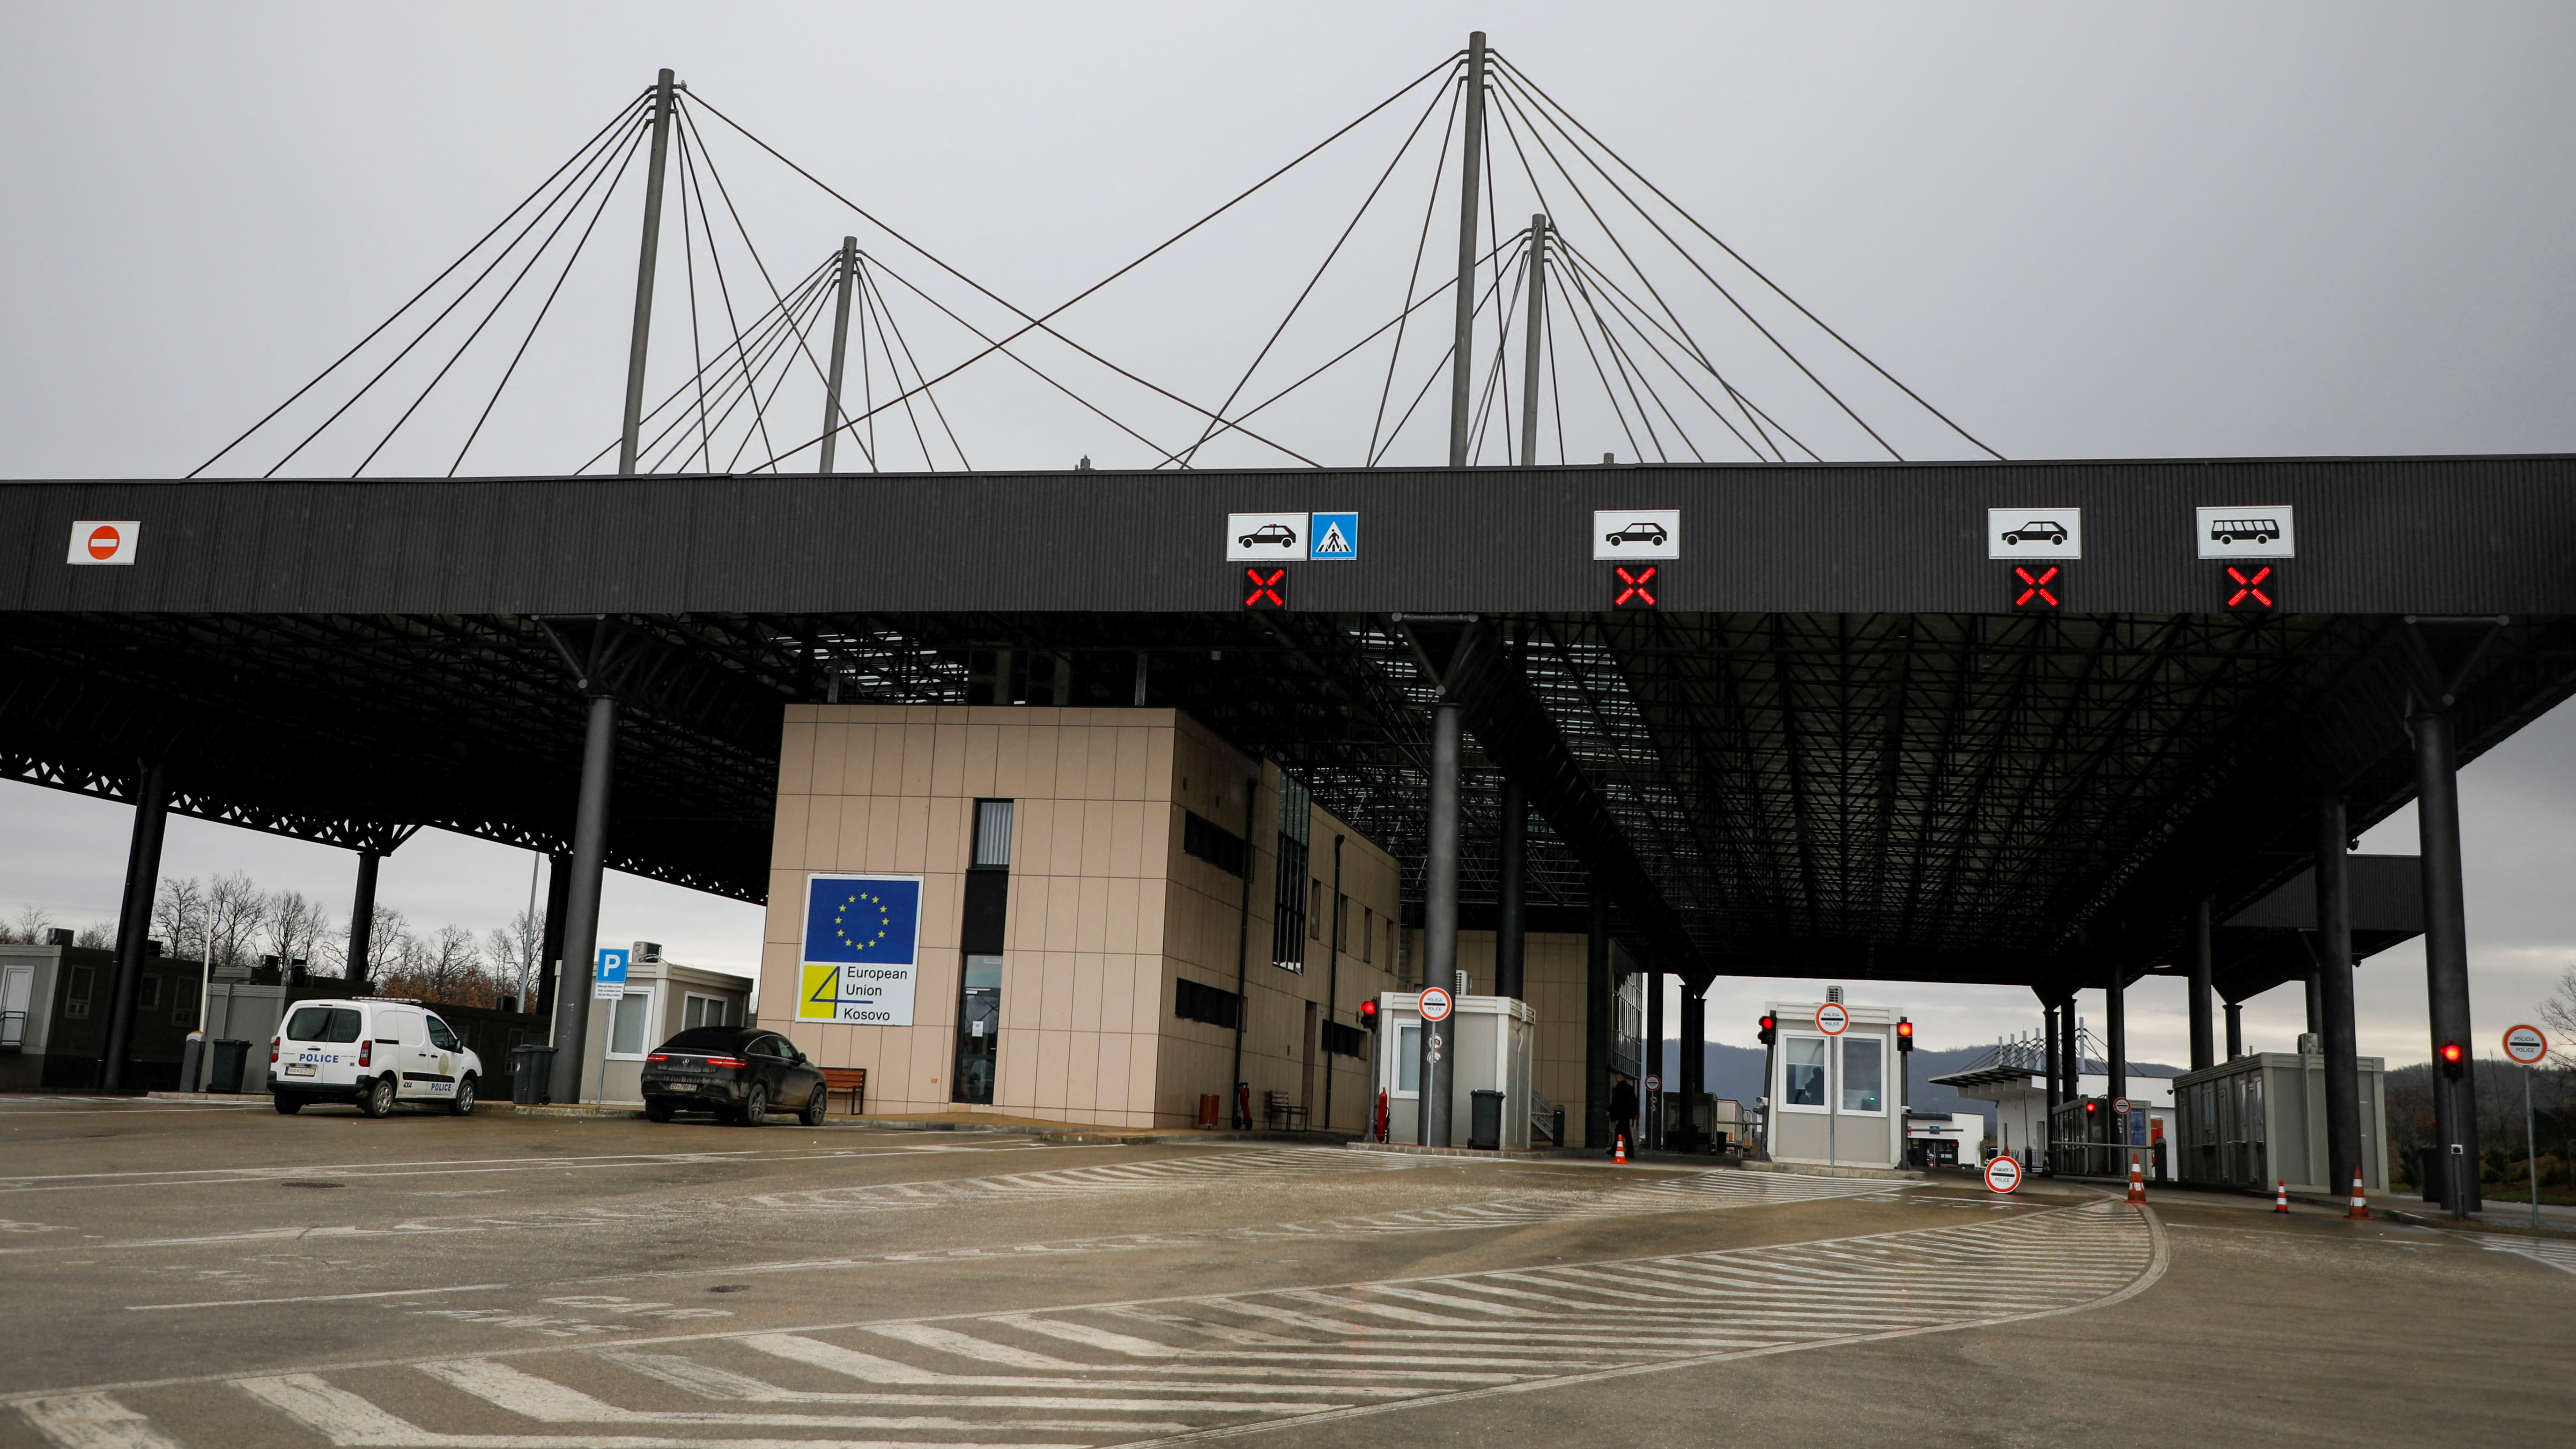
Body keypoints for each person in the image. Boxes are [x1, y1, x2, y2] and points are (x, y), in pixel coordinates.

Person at [1608, 1072, 1639, 1157]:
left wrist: (1610, 1110)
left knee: (1625, 1133)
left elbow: (1616, 1102)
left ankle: (1629, 1151)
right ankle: (1615, 1150)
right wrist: (1635, 1113)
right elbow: (1634, 1102)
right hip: (1627, 1114)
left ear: (1618, 1079)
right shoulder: (1630, 1089)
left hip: (1622, 1114)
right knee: (1619, 1132)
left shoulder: (1620, 1089)